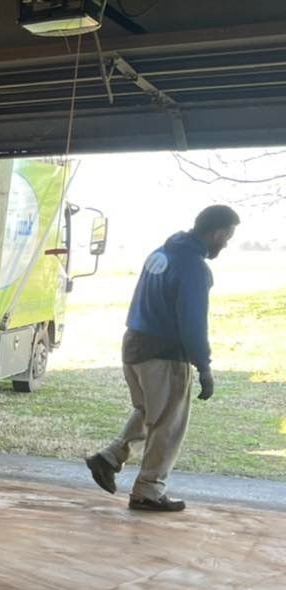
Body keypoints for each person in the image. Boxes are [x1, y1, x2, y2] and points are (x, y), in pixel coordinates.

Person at [85, 204, 239, 512]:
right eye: (227, 237)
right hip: (164, 354)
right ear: (217, 233)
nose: (227, 244)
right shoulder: (193, 266)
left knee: (147, 411)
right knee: (168, 424)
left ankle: (110, 457)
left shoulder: (162, 252)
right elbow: (193, 322)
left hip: (134, 346)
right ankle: (148, 491)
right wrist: (204, 367)